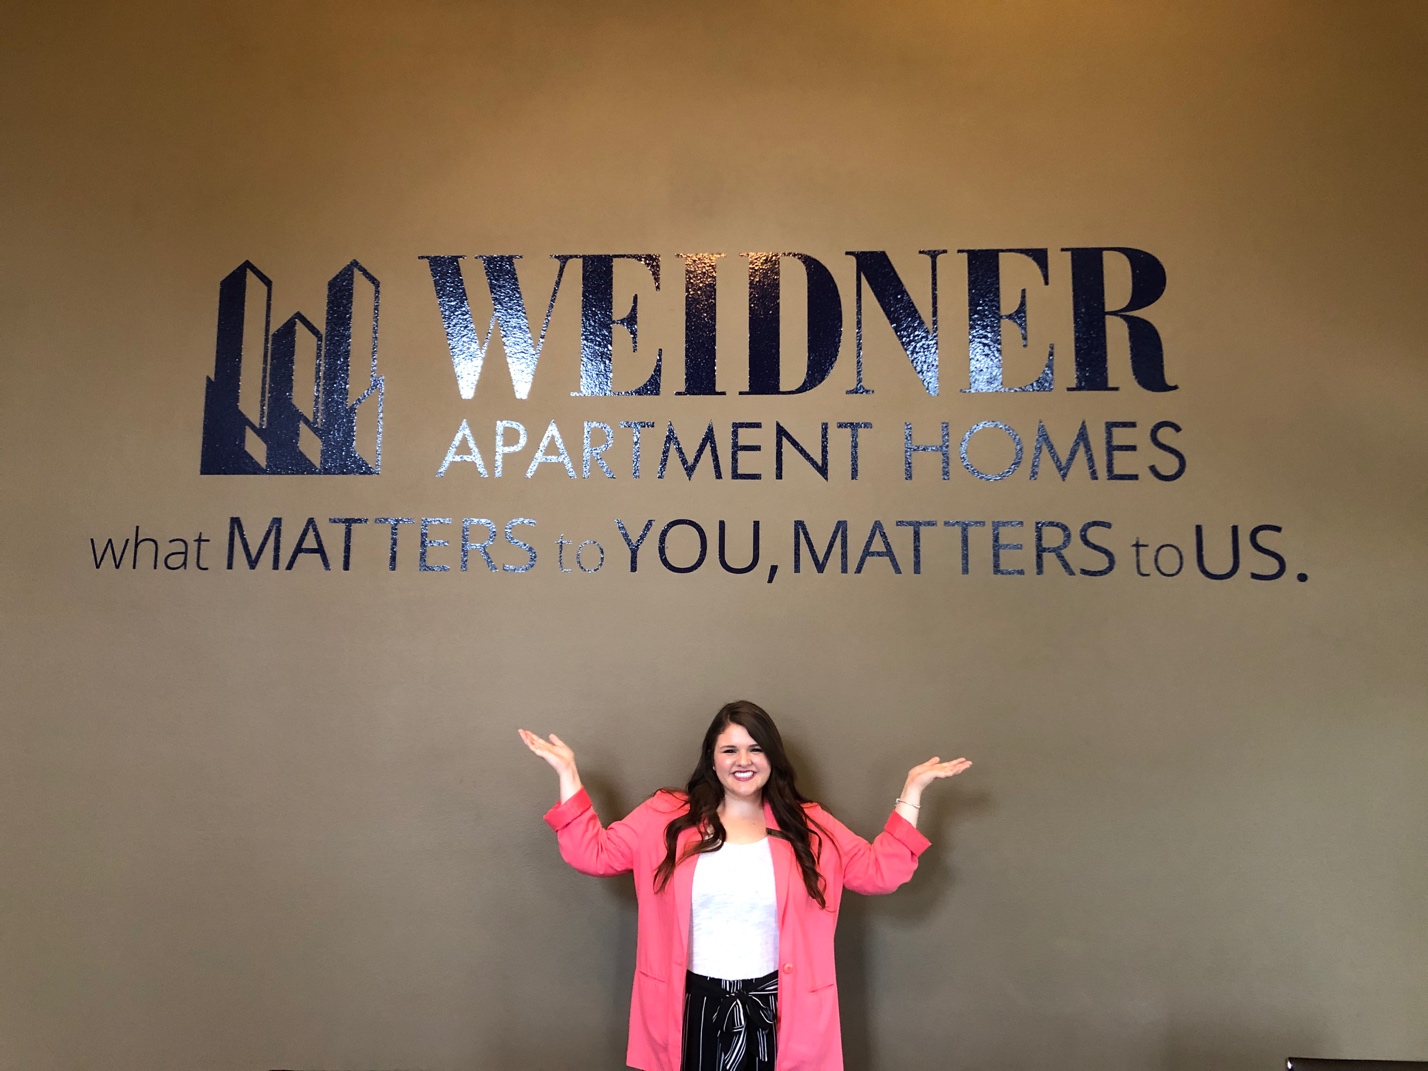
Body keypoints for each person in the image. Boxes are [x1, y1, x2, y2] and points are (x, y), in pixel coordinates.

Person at [518, 700, 972, 1071]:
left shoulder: (808, 825)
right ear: (711, 759)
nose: (743, 761)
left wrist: (911, 792)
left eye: (756, 749)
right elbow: (592, 854)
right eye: (729, 750)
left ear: (772, 758)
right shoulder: (665, 817)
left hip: (779, 1009)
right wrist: (568, 775)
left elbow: (880, 872)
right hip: (690, 1006)